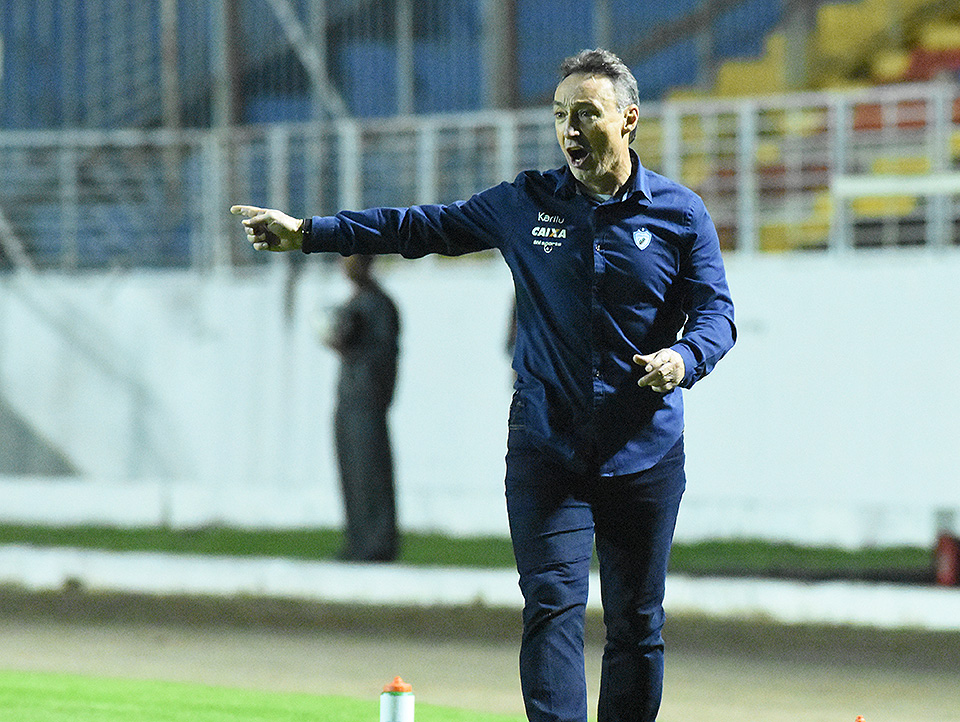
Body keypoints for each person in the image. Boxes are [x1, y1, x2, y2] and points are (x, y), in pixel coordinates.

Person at [231, 48, 735, 722]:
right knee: (551, 609)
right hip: (546, 451)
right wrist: (312, 234)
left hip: (644, 456)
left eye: (586, 114)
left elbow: (718, 315)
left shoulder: (680, 213)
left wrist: (684, 357)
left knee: (636, 628)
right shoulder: (525, 203)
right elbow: (421, 227)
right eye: (560, 116)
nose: (570, 129)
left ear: (629, 119)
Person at [324, 254, 401, 562]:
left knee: (370, 471)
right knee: (351, 471)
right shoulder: (357, 302)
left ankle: (377, 543)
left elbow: (382, 354)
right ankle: (358, 541)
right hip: (349, 397)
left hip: (367, 398)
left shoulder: (378, 304)